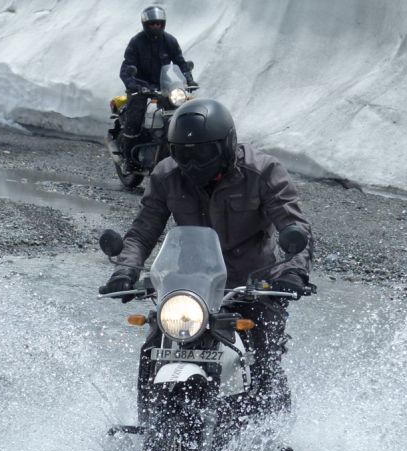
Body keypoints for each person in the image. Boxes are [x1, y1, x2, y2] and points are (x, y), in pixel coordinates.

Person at [100, 98, 312, 425]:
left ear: (226, 145)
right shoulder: (167, 175)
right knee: (153, 345)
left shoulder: (263, 172)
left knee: (264, 357)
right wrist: (125, 269)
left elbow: (294, 227)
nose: (192, 163)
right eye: (183, 154)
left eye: (201, 153)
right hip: (190, 287)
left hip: (250, 287)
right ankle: (149, 426)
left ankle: (267, 433)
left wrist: (293, 273)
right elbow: (143, 231)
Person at [118, 5, 196, 165]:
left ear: (163, 24)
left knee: (183, 110)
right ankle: (128, 159)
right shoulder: (136, 42)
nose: (156, 27)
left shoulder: (170, 41)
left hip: (164, 86)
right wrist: (134, 84)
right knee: (135, 117)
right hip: (140, 88)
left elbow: (180, 62)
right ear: (146, 25)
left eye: (159, 24)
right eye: (153, 24)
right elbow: (126, 69)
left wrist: (188, 79)